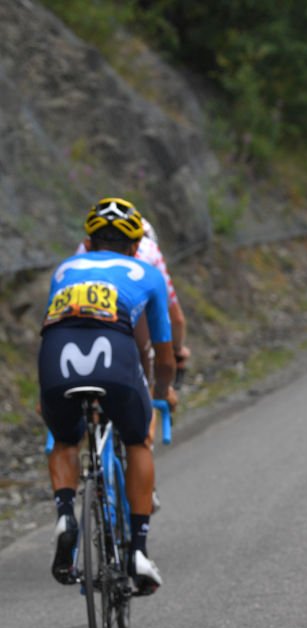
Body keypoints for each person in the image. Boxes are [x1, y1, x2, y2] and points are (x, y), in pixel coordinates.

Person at [40, 198, 176, 595]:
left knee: (65, 438)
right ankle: (138, 550)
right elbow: (162, 353)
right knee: (137, 440)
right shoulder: (148, 273)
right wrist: (161, 392)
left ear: (87, 242)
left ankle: (66, 514)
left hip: (55, 354)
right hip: (114, 352)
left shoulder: (64, 269)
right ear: (136, 247)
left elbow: (51, 326)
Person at [76, 217, 190, 380]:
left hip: (79, 324)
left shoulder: (83, 247)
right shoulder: (150, 249)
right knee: (145, 352)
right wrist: (178, 351)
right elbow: (176, 319)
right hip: (127, 327)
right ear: (136, 244)